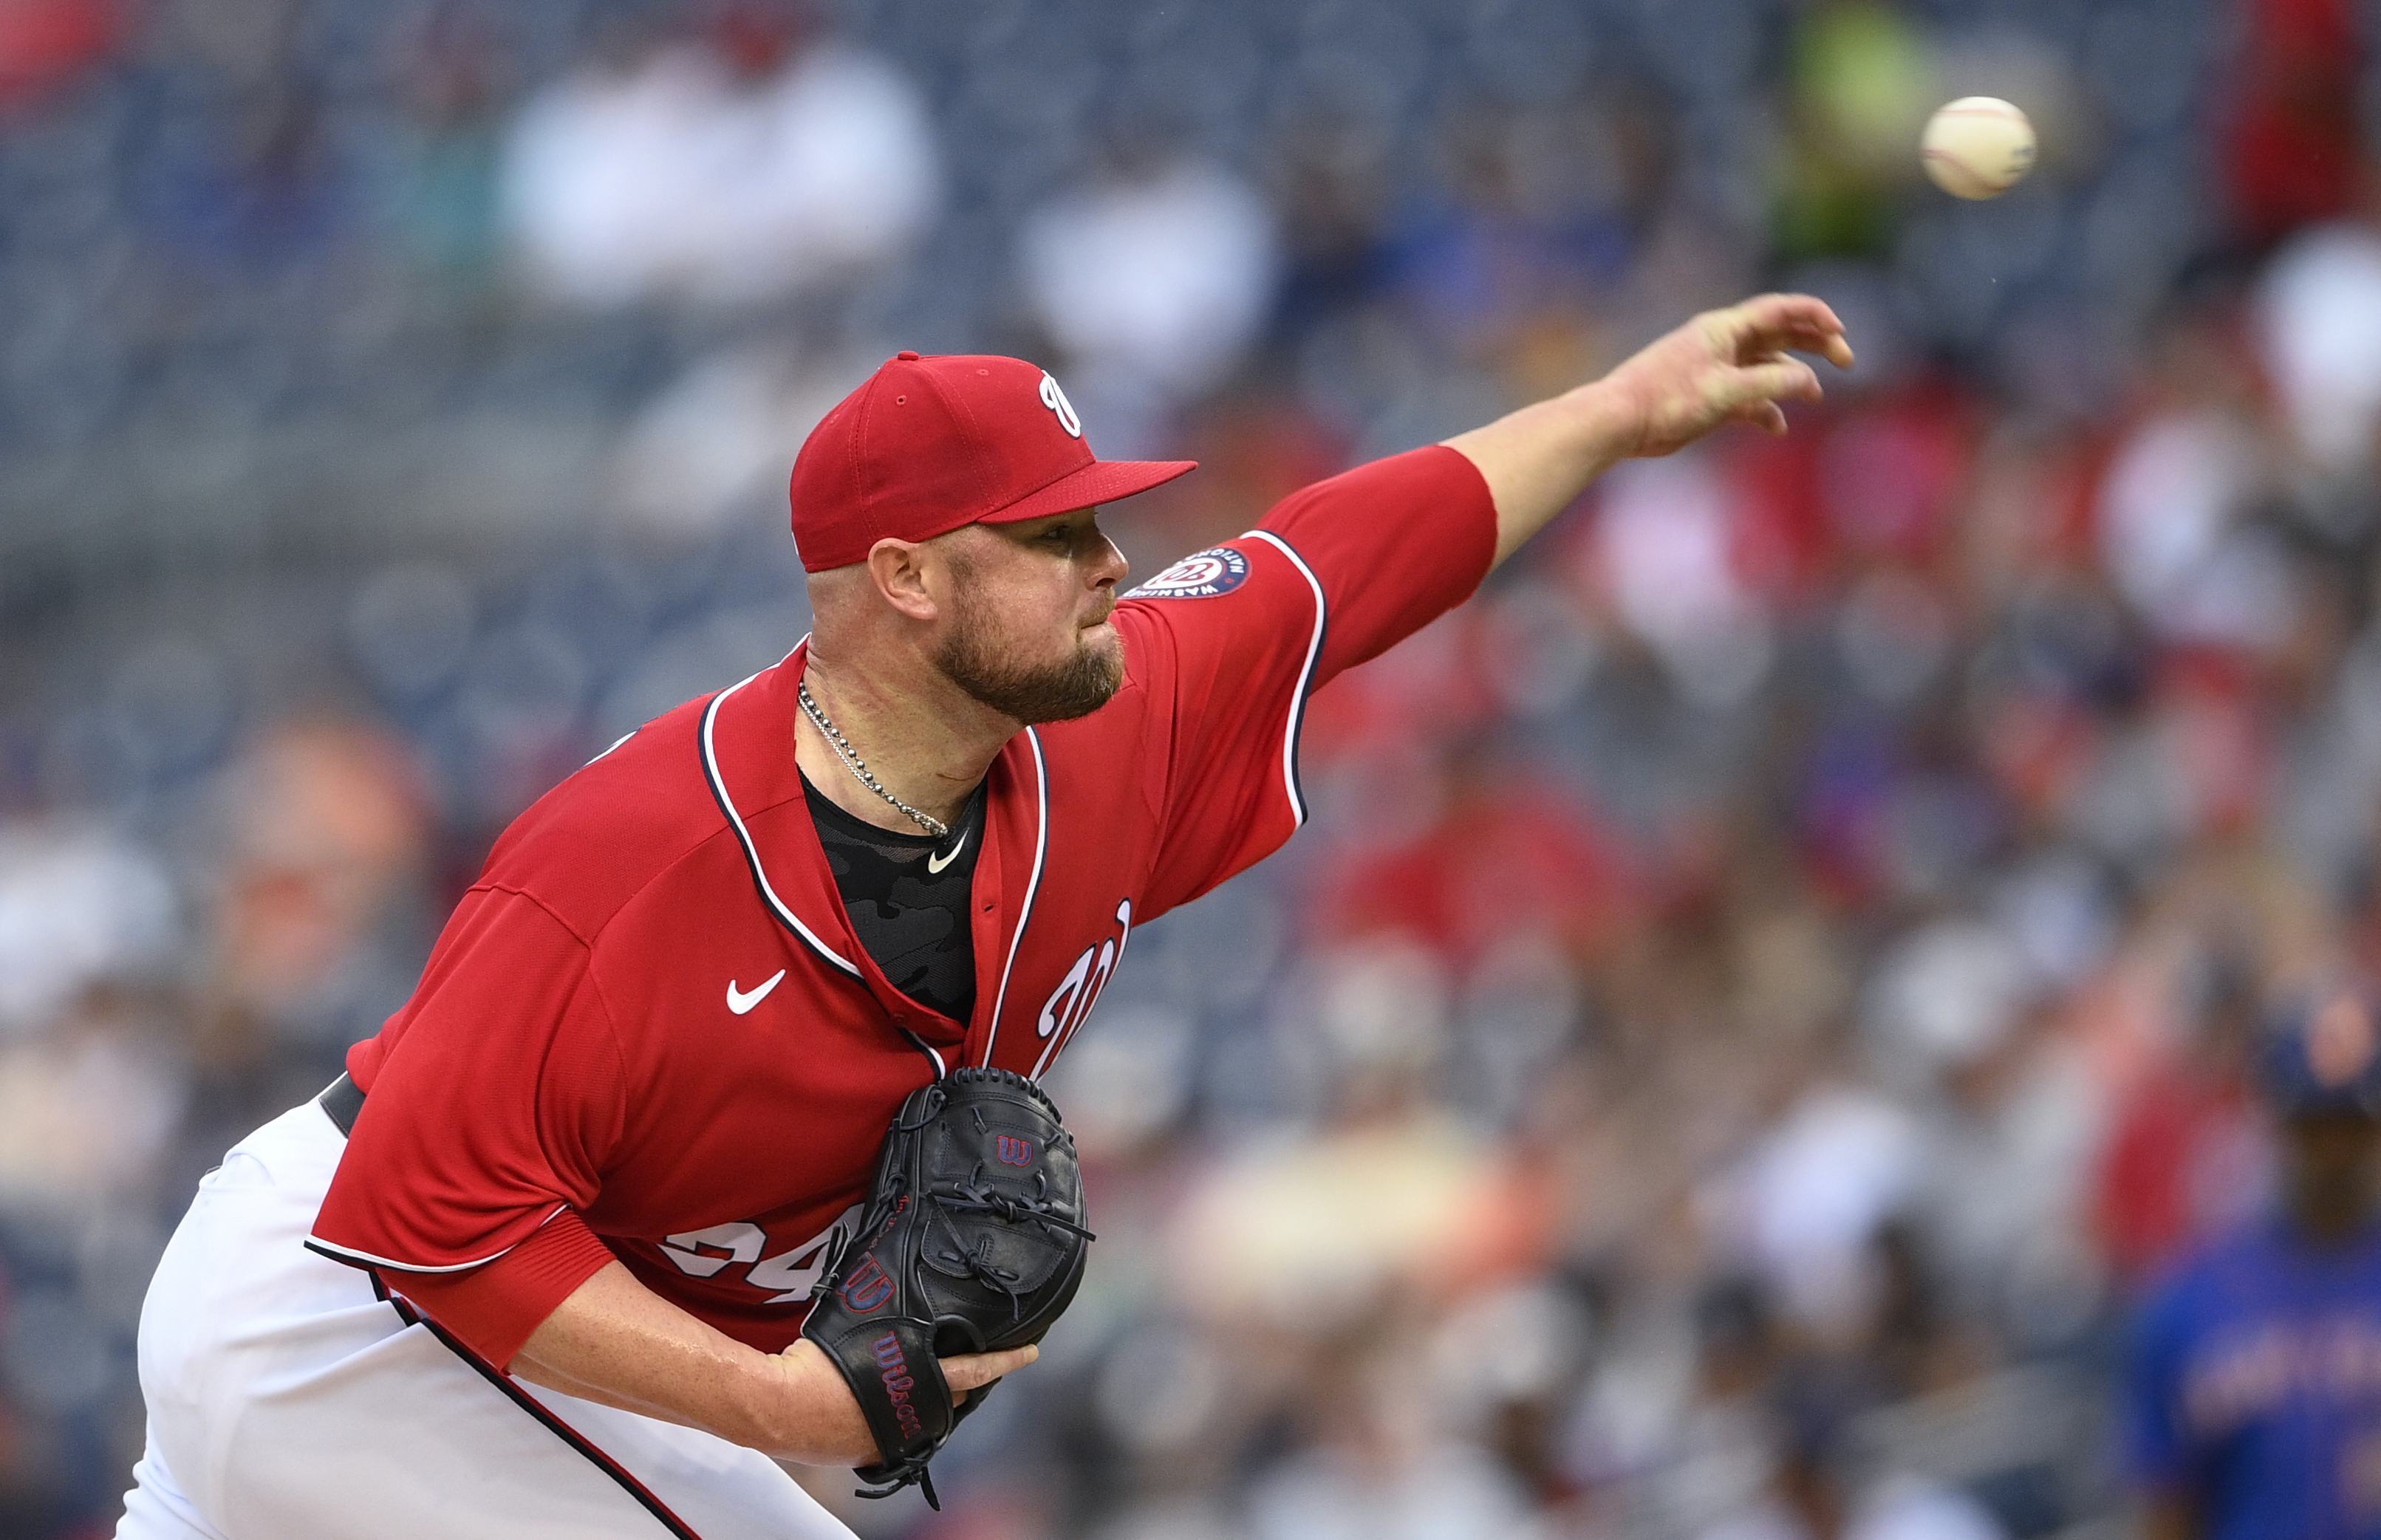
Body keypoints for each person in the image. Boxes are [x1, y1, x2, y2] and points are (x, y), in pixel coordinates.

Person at [114, 295, 1853, 1539]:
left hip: (473, 1338)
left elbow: (1345, 558)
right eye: (1054, 535)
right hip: (354, 1310)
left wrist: (1616, 413)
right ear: (904, 579)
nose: (1112, 563)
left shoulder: (1104, 725)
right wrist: (792, 1408)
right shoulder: (627, 862)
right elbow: (432, 1227)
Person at [2126, 985, 2381, 1540]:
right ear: (2273, 1123)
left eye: (2352, 1125)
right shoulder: (2191, 1297)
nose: (2335, 1152)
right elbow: (2166, 1507)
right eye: (2314, 1126)